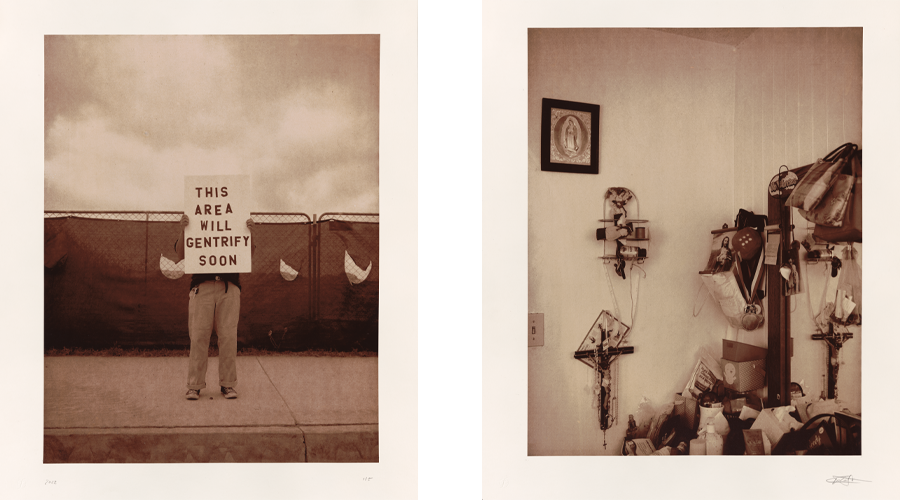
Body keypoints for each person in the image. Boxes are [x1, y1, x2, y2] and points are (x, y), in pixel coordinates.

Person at [177, 214, 254, 400]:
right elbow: (181, 254)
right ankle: (194, 385)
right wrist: (183, 229)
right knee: (198, 336)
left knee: (228, 336)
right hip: (201, 287)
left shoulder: (235, 218)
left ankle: (228, 384)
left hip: (229, 287)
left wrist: (249, 232)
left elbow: (247, 253)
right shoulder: (196, 219)